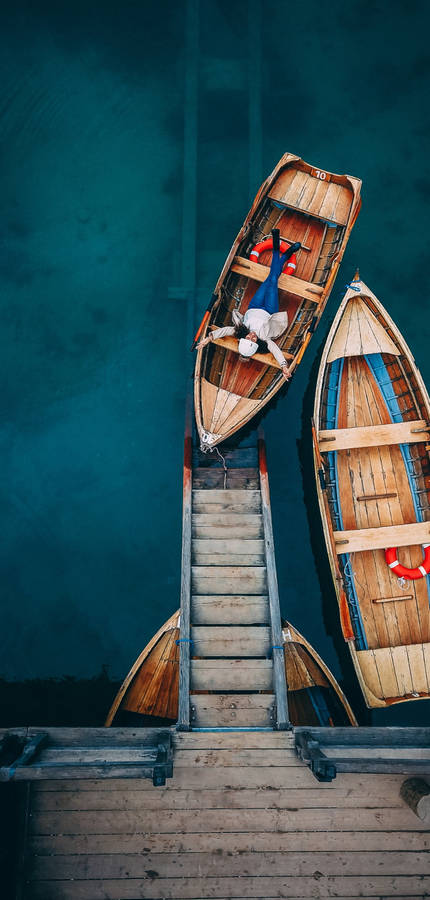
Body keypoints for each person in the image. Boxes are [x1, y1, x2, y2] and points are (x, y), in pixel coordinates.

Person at [196, 229, 301, 380]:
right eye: (253, 339)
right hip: (270, 310)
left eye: (248, 337)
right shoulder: (265, 339)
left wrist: (208, 339)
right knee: (272, 280)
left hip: (254, 306)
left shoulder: (240, 330)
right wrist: (284, 366)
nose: (251, 336)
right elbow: (276, 351)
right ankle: (281, 251)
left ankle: (285, 253)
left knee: (270, 278)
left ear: (242, 338)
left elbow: (224, 331)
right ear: (257, 343)